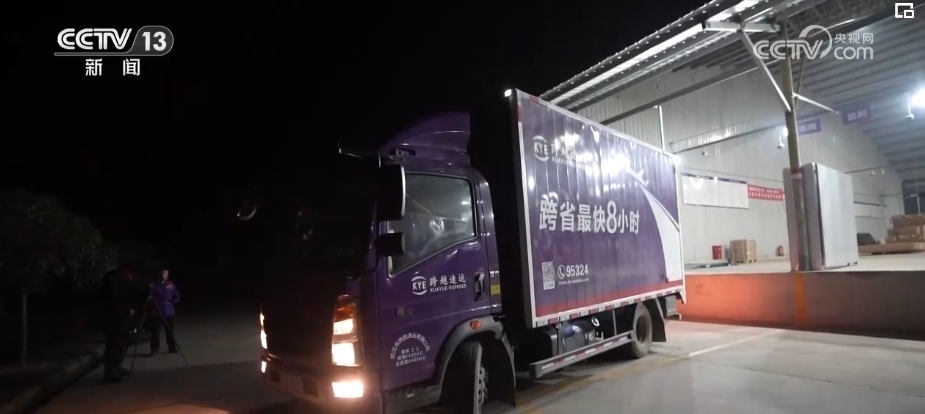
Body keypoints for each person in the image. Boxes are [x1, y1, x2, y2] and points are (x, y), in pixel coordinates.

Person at [100, 267, 139, 383]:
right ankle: (110, 371)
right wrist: (126, 310)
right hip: (113, 320)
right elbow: (114, 301)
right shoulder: (113, 281)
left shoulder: (119, 280)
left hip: (120, 319)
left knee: (120, 344)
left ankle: (117, 366)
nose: (131, 277)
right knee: (114, 344)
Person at [148, 268, 180, 355]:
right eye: (163, 274)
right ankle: (154, 349)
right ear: (159, 274)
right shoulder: (153, 285)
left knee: (170, 331)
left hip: (169, 312)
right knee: (155, 332)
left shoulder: (171, 284)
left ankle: (172, 348)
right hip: (157, 312)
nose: (164, 276)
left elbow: (177, 297)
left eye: (166, 274)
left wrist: (174, 301)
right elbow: (150, 298)